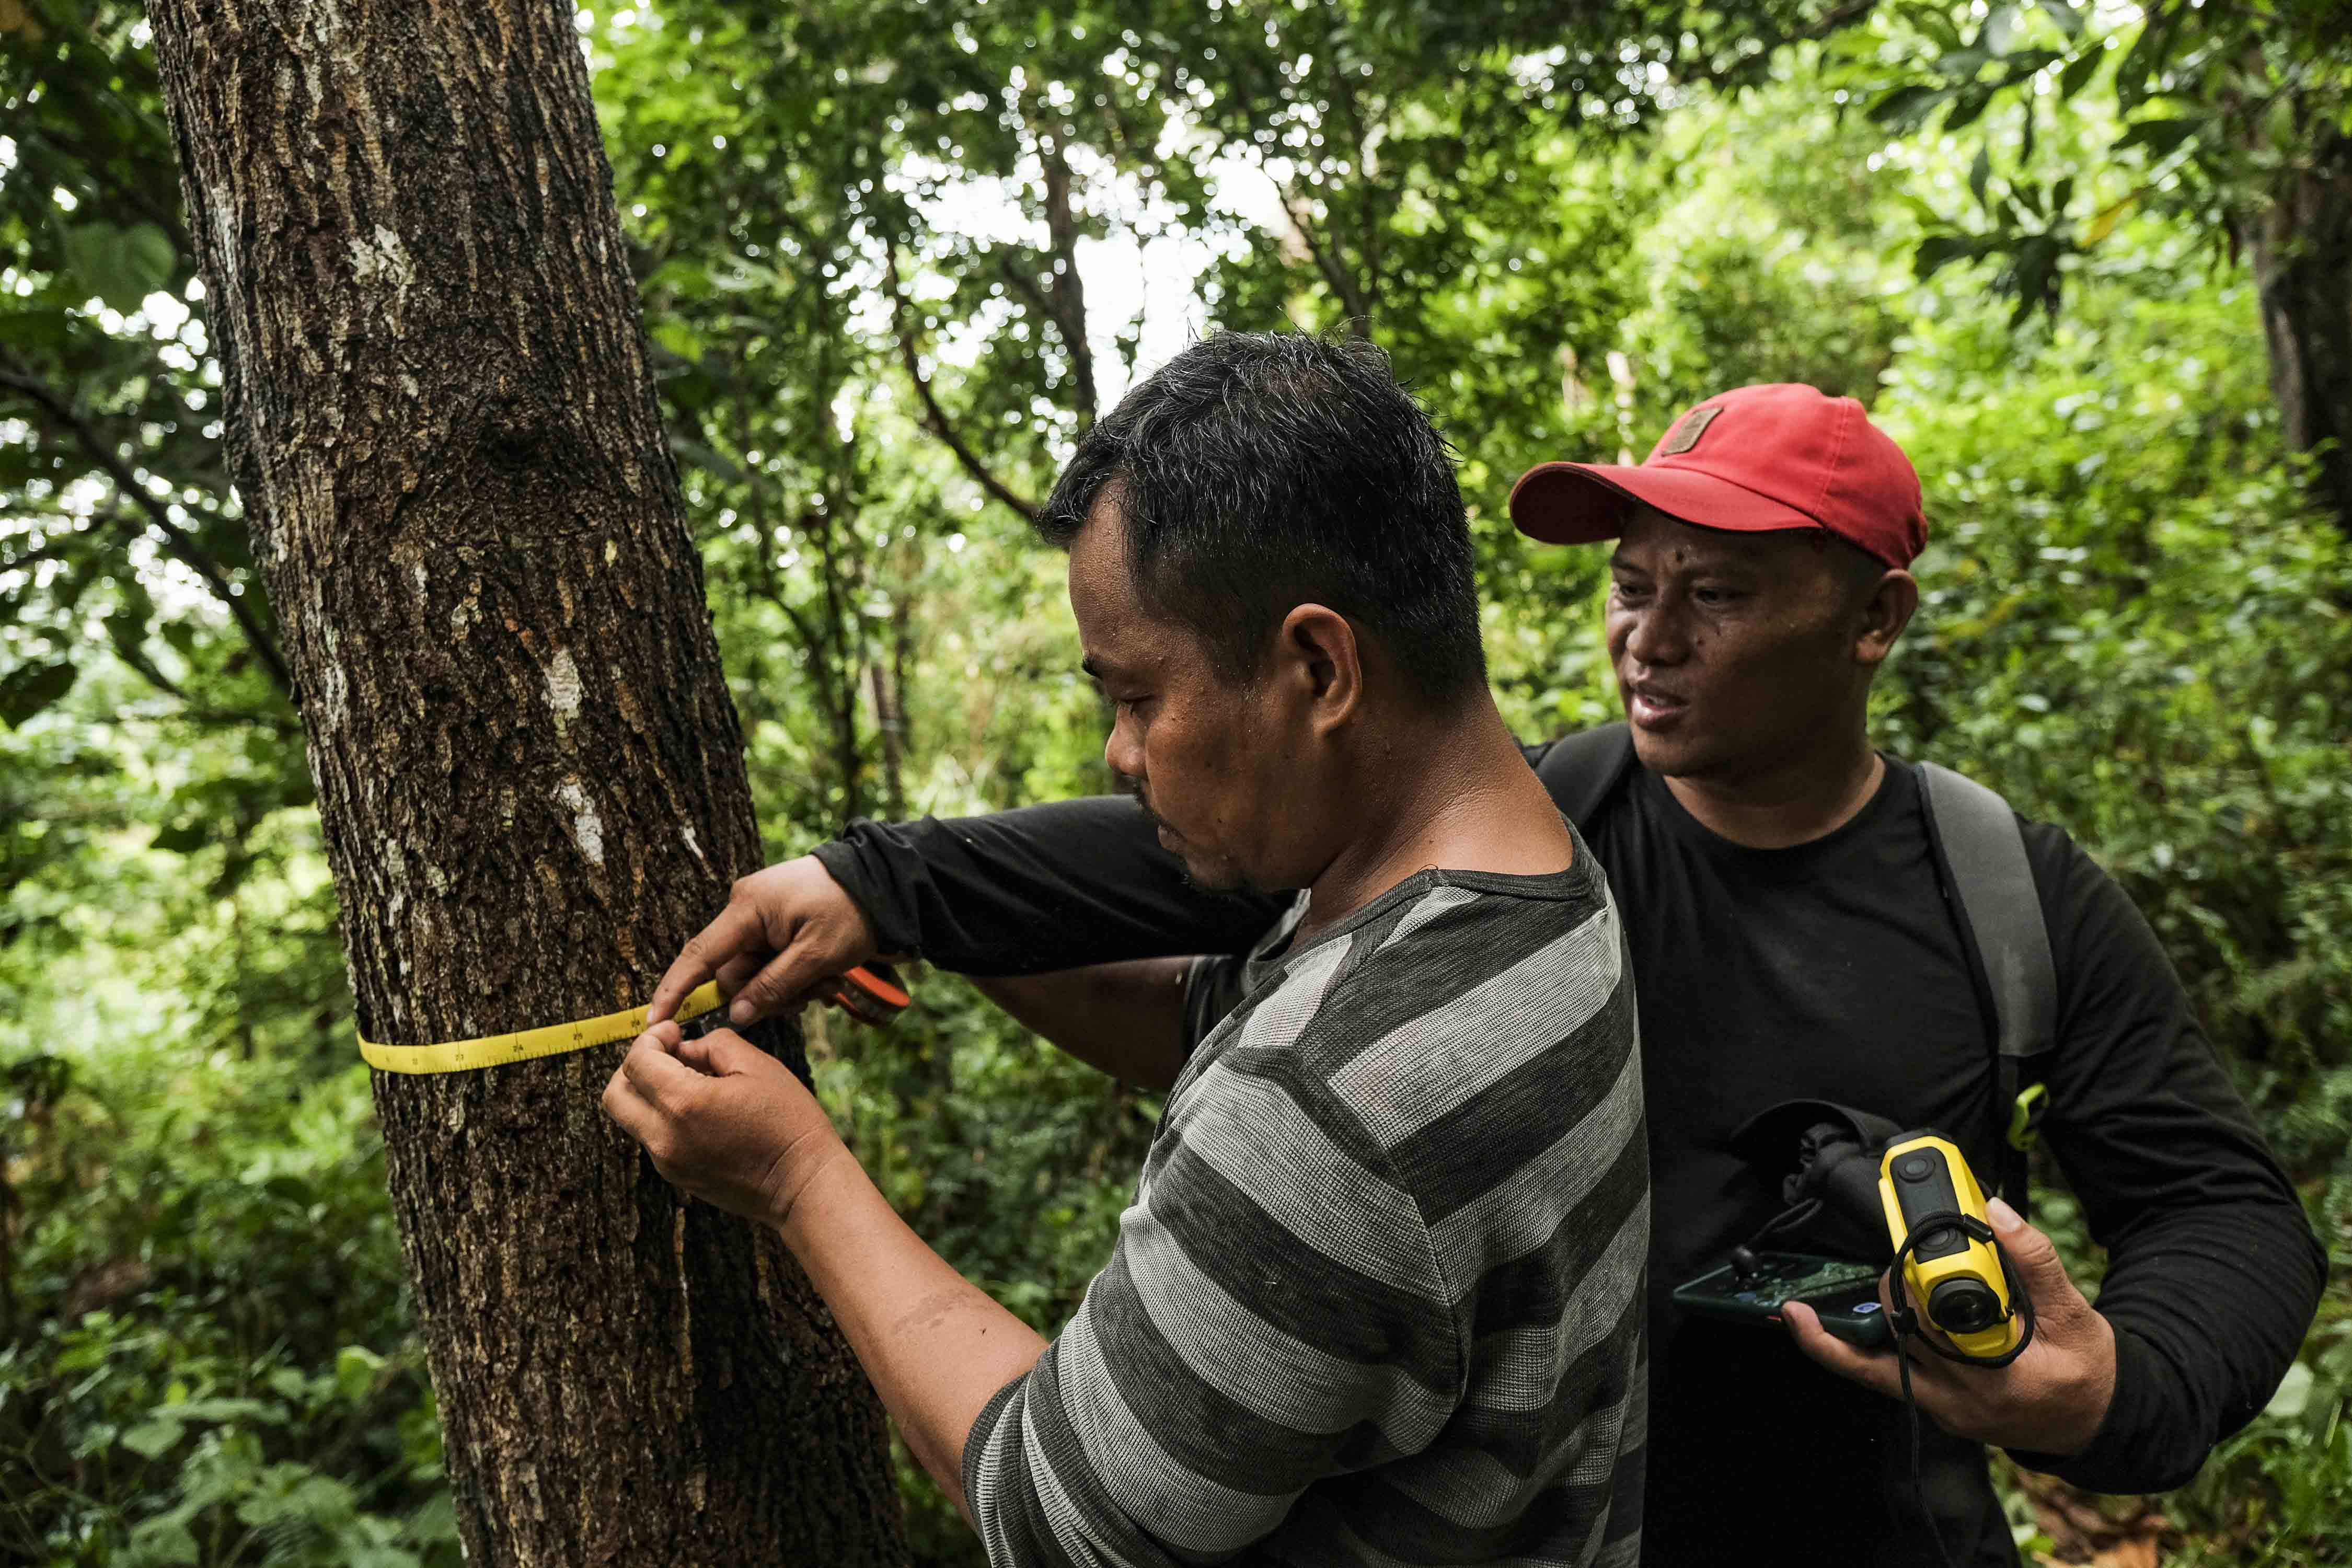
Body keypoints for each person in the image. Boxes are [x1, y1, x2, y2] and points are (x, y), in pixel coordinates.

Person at [649, 381, 2326, 1565]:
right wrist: (889, 883)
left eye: (1715, 596)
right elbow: (1189, 852)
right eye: (1628, 585)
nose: (1646, 640)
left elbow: (2231, 1214)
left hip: (1873, 1532)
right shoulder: (1557, 825)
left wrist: (2106, 1391)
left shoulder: (1999, 896)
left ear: (1870, 620)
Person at [606, 332, 1650, 1567]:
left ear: (1319, 667)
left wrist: (795, 1175)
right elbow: (1218, 1014)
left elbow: (1052, 1519)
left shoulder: (1335, 1097)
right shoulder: (1540, 886)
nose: (1120, 749)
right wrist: (921, 915)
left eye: (1139, 695)